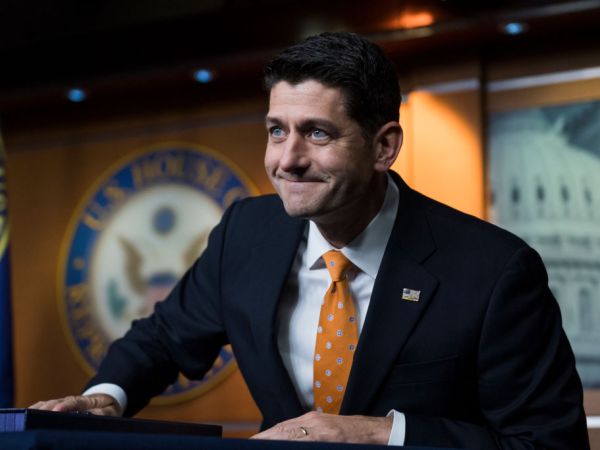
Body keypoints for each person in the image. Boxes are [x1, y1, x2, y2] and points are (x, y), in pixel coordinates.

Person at [32, 32, 590, 449]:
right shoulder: (246, 233)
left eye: (317, 133)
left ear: (383, 147)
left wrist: (376, 434)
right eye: (277, 130)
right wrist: (106, 396)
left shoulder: (495, 270)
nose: (287, 160)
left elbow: (549, 443)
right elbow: (162, 341)